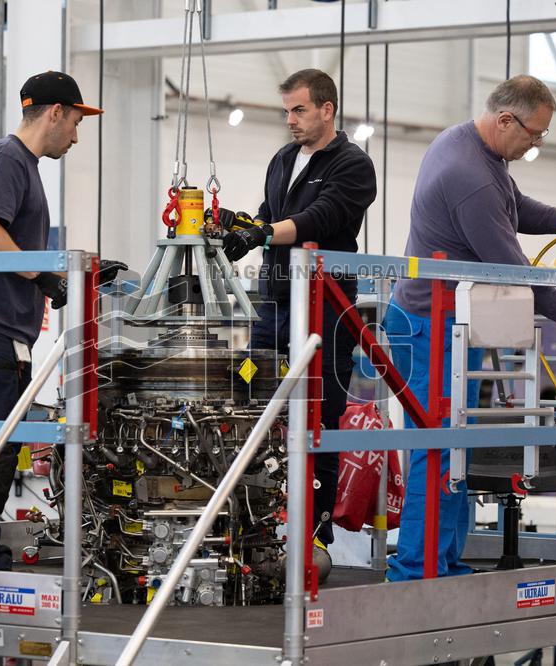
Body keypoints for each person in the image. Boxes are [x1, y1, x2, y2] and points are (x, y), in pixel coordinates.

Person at [384, 75, 556, 582]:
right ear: (505, 119)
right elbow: (515, 272)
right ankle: (415, 573)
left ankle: (443, 563)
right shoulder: (470, 175)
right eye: (533, 134)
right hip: (428, 325)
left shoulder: (472, 147)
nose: (535, 144)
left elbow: (514, 206)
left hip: (456, 324)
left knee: (453, 450)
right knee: (435, 451)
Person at [221, 69, 377, 578]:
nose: (290, 120)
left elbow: (320, 219)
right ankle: (256, 522)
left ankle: (316, 532)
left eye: (300, 110)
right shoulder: (283, 159)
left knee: (320, 414)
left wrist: (264, 232)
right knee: (252, 395)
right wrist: (243, 225)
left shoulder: (355, 166)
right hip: (274, 302)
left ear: (327, 109)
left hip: (326, 308)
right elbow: (274, 214)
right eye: (286, 110)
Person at [0, 70, 102, 570]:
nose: (76, 136)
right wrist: (42, 275)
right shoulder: (5, 158)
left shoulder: (23, 166)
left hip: (3, 336)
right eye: (76, 122)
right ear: (55, 113)